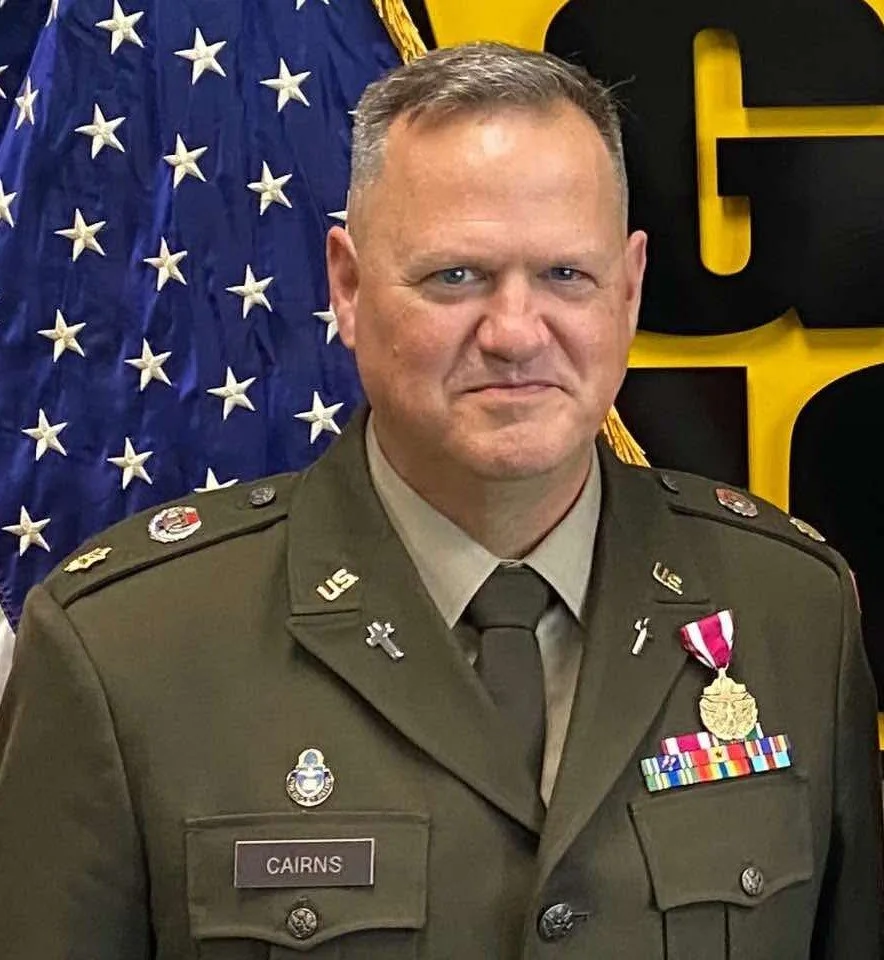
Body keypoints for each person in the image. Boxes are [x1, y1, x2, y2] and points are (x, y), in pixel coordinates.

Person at [0, 41, 881, 959]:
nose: (515, 333)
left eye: (565, 275)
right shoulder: (127, 651)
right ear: (347, 288)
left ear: (629, 290)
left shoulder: (793, 615)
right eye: (456, 276)